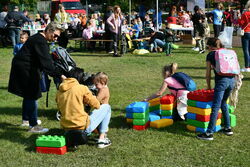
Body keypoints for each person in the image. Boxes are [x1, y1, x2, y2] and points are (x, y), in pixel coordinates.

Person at [8, 22, 64, 133]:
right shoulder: (40, 41)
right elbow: (47, 63)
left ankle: (26, 120)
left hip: (24, 67)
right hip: (25, 68)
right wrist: (60, 75)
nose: (56, 38)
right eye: (55, 35)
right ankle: (33, 126)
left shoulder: (38, 39)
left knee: (28, 94)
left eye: (58, 36)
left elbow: (44, 60)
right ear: (48, 31)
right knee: (32, 94)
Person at [56, 68, 112, 149]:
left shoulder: (59, 91)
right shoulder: (82, 88)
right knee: (107, 107)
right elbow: (96, 105)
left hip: (66, 128)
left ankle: (74, 140)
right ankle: (102, 139)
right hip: (82, 128)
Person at [197, 38, 235, 141]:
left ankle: (209, 133)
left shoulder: (210, 55)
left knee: (215, 106)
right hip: (232, 80)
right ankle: (227, 128)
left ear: (209, 46)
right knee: (223, 103)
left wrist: (208, 86)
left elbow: (208, 73)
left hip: (221, 82)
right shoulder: (226, 51)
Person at [238, 1, 250, 72]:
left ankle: (247, 66)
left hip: (246, 32)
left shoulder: (245, 14)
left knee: (246, 50)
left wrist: (239, 17)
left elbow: (240, 23)